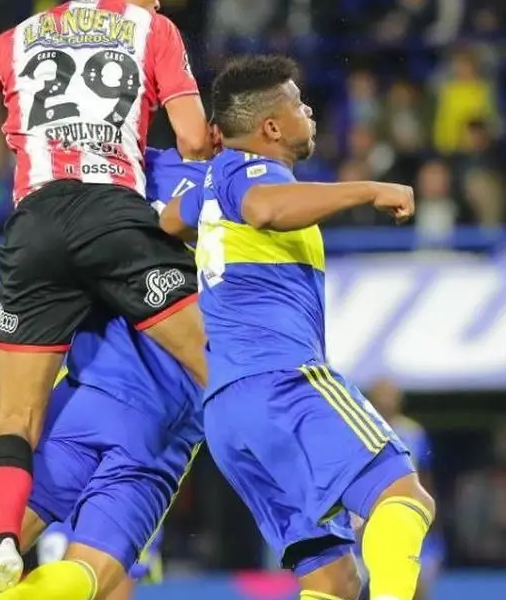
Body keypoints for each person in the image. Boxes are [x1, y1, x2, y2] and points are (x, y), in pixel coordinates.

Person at [0, 1, 214, 591]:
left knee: (14, 419)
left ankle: (2, 541)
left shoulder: (15, 37)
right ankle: (312, 511)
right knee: (224, 369)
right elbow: (194, 138)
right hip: (113, 213)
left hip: (35, 225)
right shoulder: (151, 27)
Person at [159, 55, 434, 600]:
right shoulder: (251, 172)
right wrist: (369, 189)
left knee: (333, 577)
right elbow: (264, 208)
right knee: (404, 494)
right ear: (271, 127)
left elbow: (166, 221)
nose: (309, 111)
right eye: (299, 103)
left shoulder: (210, 185)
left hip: (229, 413)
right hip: (282, 380)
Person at [357, 379, 443, 600]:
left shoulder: (413, 432)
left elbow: (425, 477)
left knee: (416, 585)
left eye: (390, 395)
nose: (386, 401)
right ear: (370, 399)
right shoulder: (358, 429)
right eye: (381, 395)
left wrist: (430, 522)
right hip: (366, 519)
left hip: (406, 514)